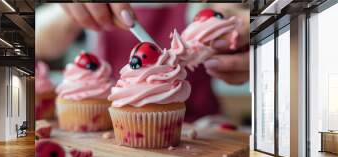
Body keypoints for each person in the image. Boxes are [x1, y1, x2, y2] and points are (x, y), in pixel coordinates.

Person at [36, 3, 249, 122]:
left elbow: (230, 13)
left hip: (204, 128)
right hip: (117, 124)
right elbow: (37, 39)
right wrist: (69, 12)